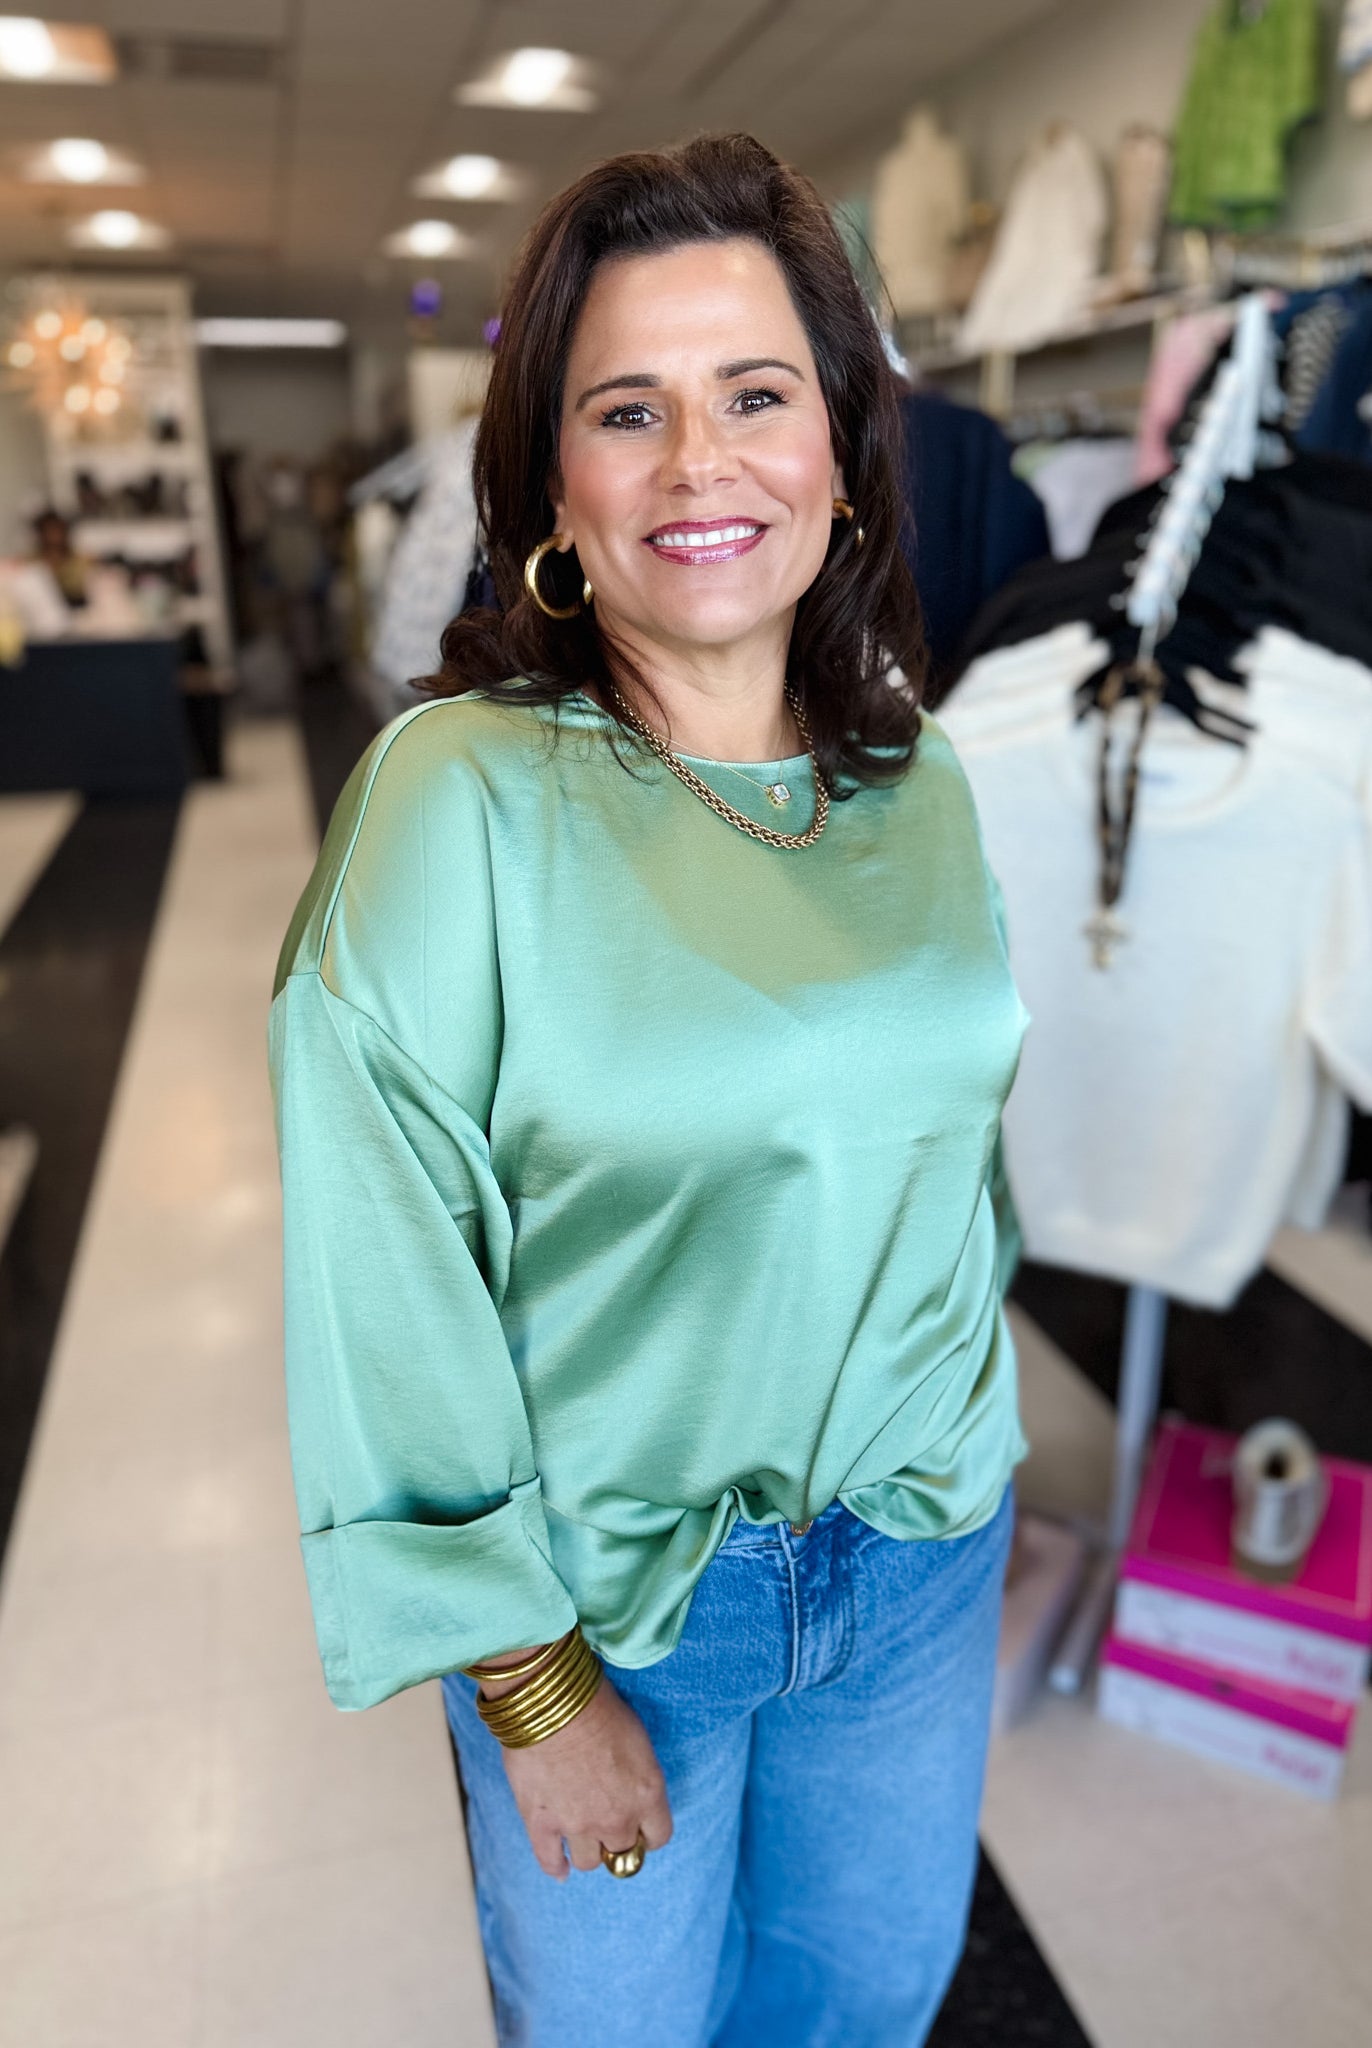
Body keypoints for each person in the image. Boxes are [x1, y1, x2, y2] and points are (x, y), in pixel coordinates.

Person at [270, 133, 1028, 2047]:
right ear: (552, 483)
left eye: (757, 395)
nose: (702, 461)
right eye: (629, 410)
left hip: (921, 1555)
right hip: (621, 1606)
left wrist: (969, 1460)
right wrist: (529, 1685)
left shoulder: (920, 780)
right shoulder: (456, 800)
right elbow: (384, 1281)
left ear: (842, 451)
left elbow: (953, 1167)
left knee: (868, 2002)